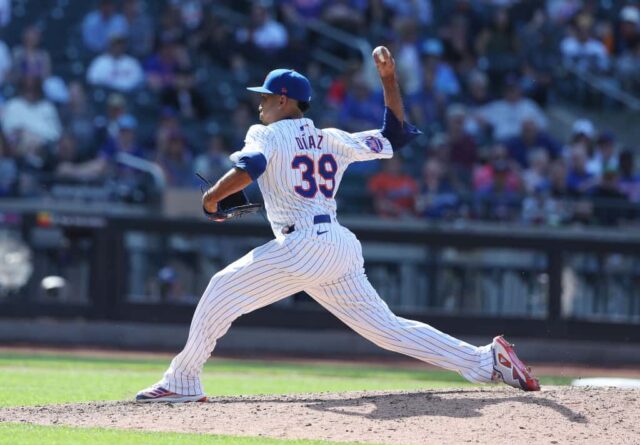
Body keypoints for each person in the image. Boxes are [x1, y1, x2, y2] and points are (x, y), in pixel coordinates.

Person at [135, 48, 540, 403]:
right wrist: (388, 80)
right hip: (338, 245)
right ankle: (486, 361)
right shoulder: (331, 137)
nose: (258, 103)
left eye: (263, 96)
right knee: (388, 330)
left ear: (283, 99)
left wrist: (211, 197)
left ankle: (183, 380)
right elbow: (395, 137)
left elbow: (250, 166)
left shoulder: (267, 132)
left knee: (222, 288)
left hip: (303, 244)